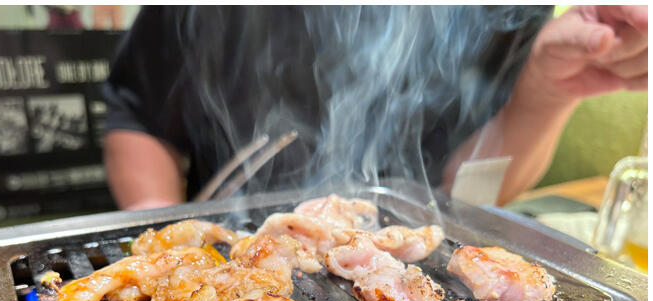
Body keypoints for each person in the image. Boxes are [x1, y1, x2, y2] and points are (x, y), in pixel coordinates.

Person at [102, 6, 647, 211]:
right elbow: (139, 117)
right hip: (225, 236)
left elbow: (468, 192)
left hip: (402, 278)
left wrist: (548, 91)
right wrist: (161, 228)